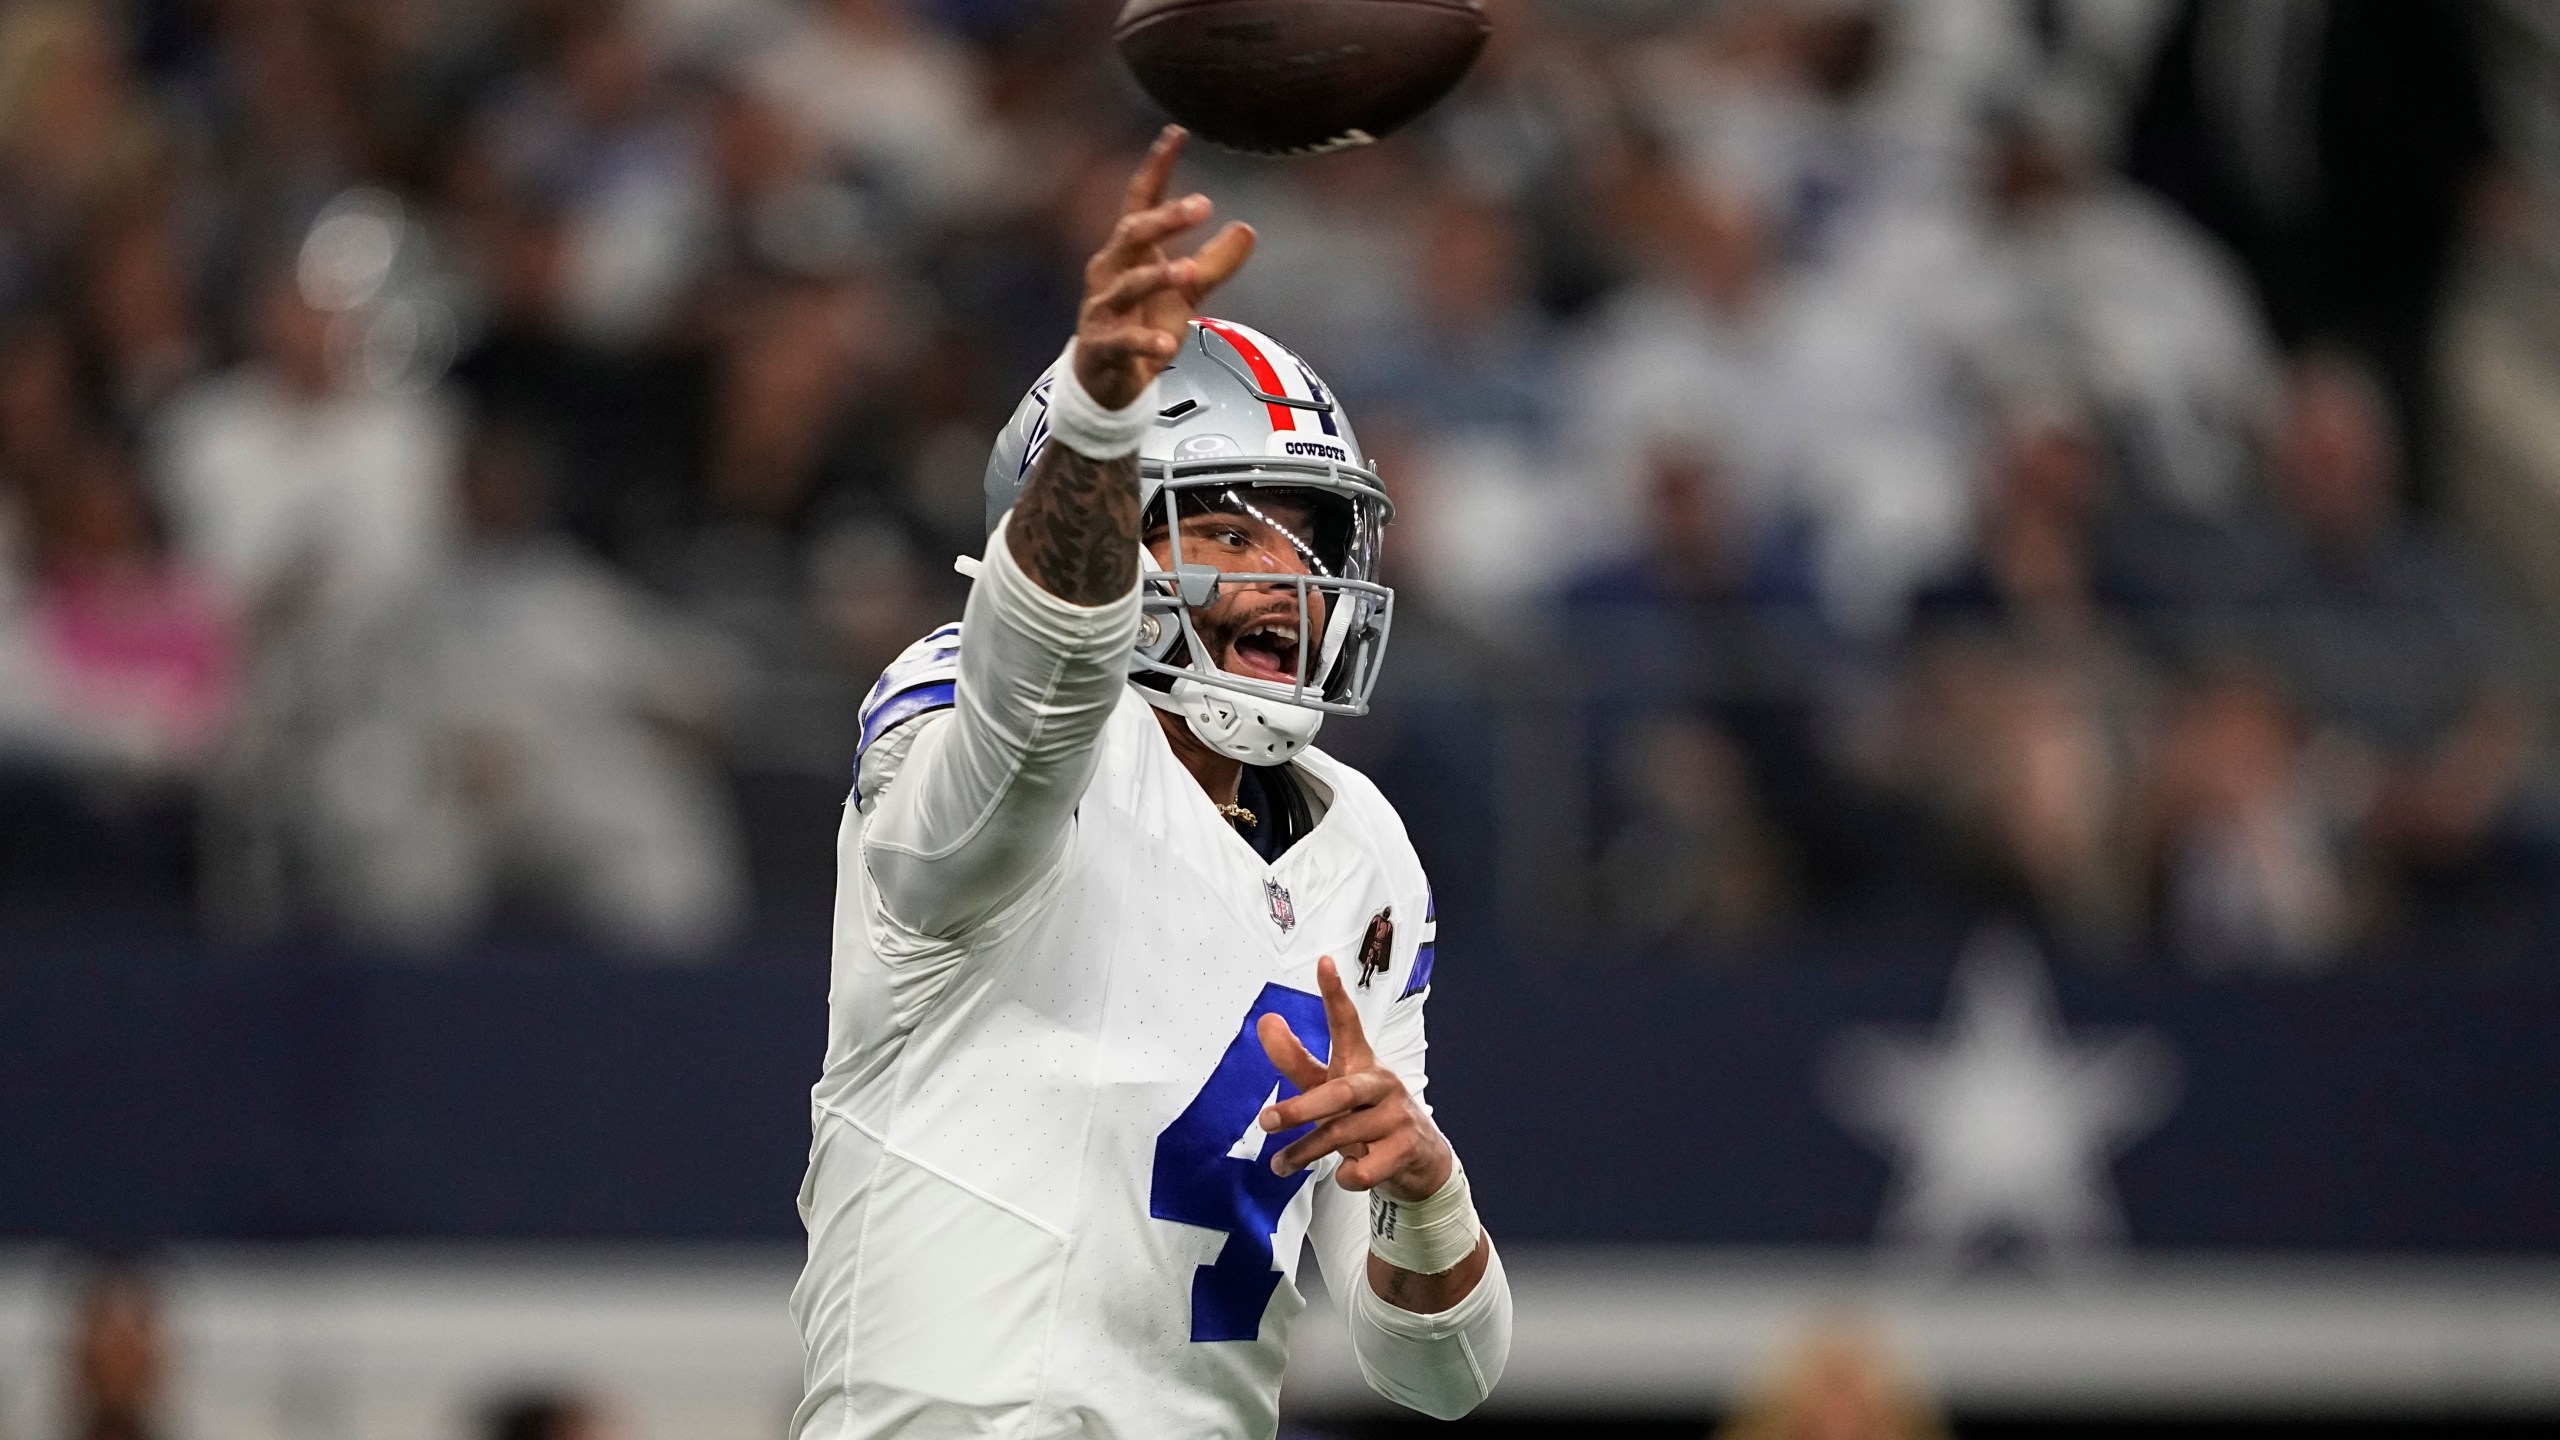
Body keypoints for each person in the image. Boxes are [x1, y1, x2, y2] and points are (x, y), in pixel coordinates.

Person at [790, 128, 1510, 1439]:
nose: (1283, 582)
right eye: (1230, 527)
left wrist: (1424, 1192)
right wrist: (1102, 417)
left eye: (1311, 540)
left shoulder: (1366, 849)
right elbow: (1032, 723)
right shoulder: (965, 699)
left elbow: (1437, 1372)